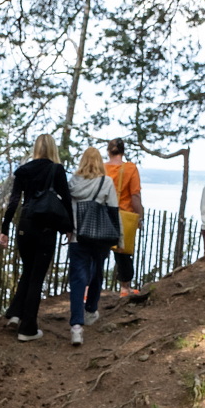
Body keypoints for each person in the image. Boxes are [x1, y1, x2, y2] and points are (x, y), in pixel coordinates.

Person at [0, 134, 71, 341]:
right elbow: (65, 199)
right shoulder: (56, 169)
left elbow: (13, 201)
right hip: (46, 229)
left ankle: (15, 314)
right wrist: (69, 227)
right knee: (36, 277)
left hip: (25, 226)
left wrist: (4, 229)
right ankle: (27, 329)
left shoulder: (23, 170)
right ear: (52, 149)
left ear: (36, 149)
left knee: (28, 270)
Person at [66, 146, 119, 346]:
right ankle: (90, 310)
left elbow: (67, 210)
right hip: (99, 237)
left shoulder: (73, 182)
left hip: (77, 238)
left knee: (78, 280)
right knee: (97, 273)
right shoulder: (106, 182)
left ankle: (76, 327)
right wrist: (118, 237)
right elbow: (114, 210)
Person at [103, 139, 143, 295]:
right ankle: (125, 288)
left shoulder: (102, 168)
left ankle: (89, 288)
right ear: (123, 151)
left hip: (103, 215)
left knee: (99, 253)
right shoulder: (130, 168)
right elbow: (135, 196)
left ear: (108, 151)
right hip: (123, 214)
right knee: (123, 253)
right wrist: (139, 217)